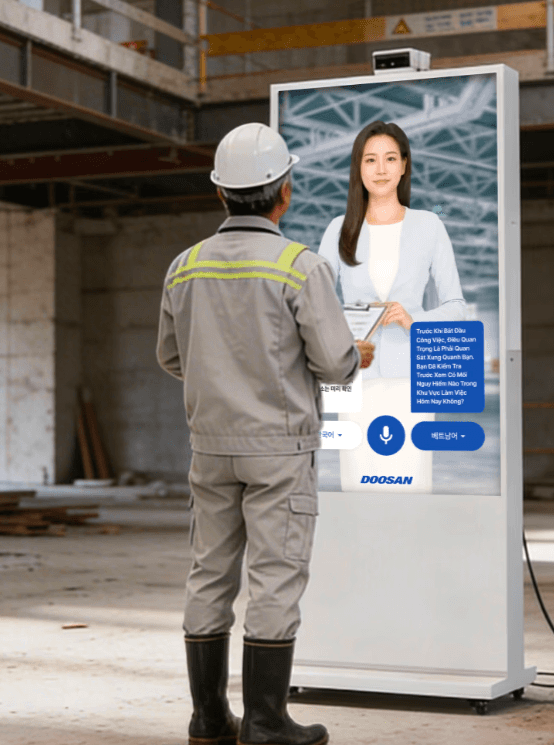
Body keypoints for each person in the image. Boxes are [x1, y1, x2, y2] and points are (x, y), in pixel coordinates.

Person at [157, 122, 374, 745]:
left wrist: (222, 374)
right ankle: (266, 721)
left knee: (209, 574)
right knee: (274, 578)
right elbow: (334, 364)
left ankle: (208, 719)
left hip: (210, 447)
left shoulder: (183, 267)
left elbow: (171, 356)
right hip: (279, 450)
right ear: (284, 192)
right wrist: (356, 354)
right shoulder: (299, 267)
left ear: (220, 193)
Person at [317, 120, 465, 493]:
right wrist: (351, 320)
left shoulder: (428, 226)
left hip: (410, 380)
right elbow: (315, 305)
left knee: (410, 485)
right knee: (359, 485)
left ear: (404, 165)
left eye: (390, 158)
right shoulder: (338, 229)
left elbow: (456, 306)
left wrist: (413, 321)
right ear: (358, 168)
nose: (380, 169)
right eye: (370, 160)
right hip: (355, 377)